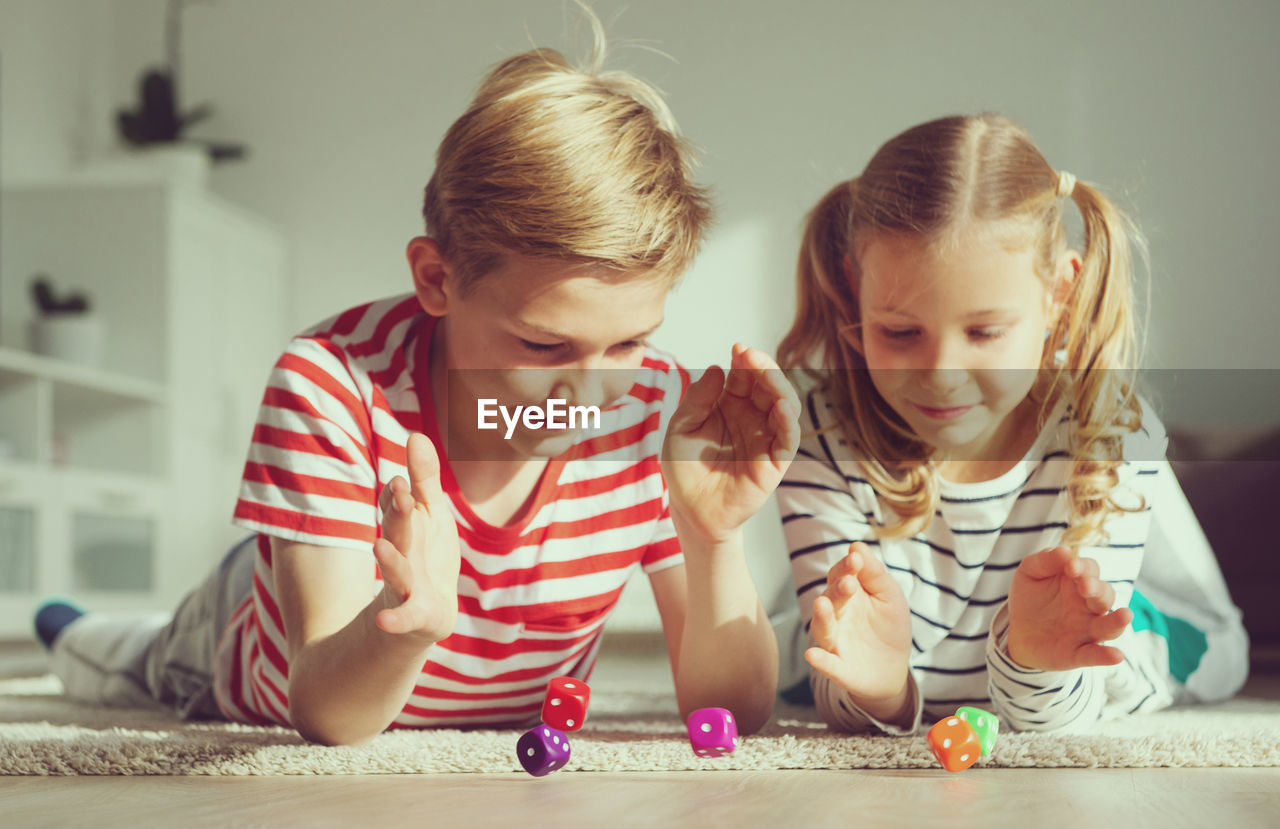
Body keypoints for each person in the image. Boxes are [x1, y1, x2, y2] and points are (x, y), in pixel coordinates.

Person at [35, 18, 797, 746]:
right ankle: (74, 627)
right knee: (123, 658)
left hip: (350, 575)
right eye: (544, 343)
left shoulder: (654, 408)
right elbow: (327, 713)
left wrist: (711, 538)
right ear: (437, 277)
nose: (591, 394)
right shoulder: (328, 382)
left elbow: (731, 713)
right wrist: (409, 629)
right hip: (254, 633)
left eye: (632, 340)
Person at [776, 113, 1249, 734]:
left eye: (985, 333)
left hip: (1146, 637)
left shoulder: (1112, 436)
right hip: (916, 636)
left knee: (1124, 645)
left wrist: (1037, 664)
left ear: (1059, 296)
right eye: (900, 332)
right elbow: (847, 695)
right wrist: (881, 689)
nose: (942, 374)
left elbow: (1061, 707)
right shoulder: (820, 436)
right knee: (800, 657)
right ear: (852, 287)